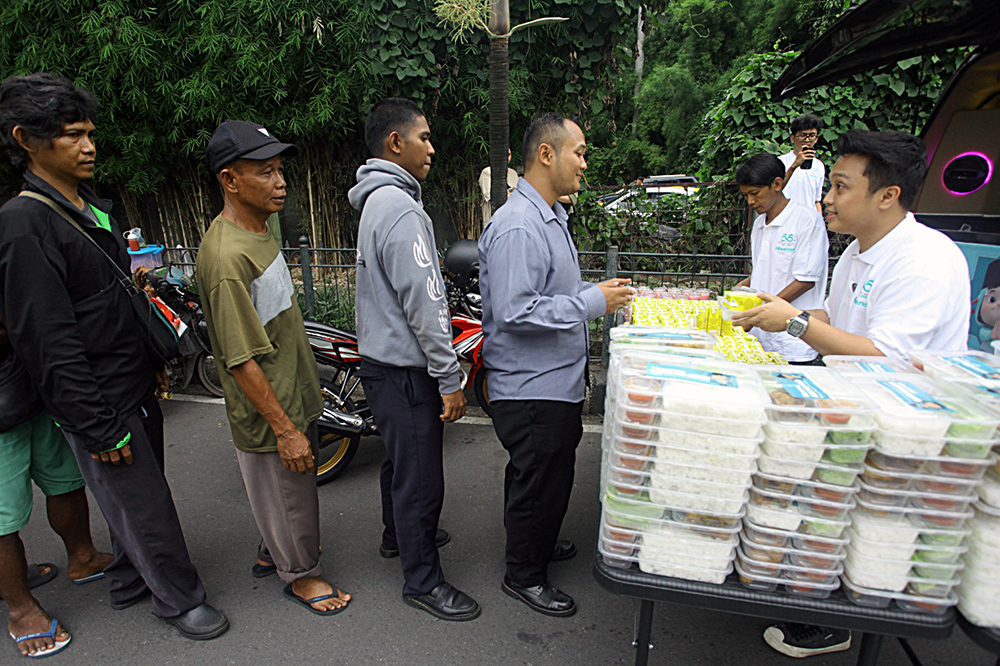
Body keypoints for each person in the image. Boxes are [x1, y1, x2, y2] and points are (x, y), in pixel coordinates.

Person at [0, 73, 227, 644]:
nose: (88, 146)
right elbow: (47, 343)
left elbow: (113, 294)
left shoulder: (88, 206)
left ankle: (129, 577)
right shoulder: (24, 224)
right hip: (98, 397)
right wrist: (96, 424)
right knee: (144, 503)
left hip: (132, 379)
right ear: (26, 139)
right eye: (72, 136)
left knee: (139, 495)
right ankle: (179, 598)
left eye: (89, 133)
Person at [733, 130, 970, 658]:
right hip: (857, 413)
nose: (827, 199)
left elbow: (884, 356)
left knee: (873, 533)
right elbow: (835, 322)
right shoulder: (858, 255)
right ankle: (822, 605)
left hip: (904, 430)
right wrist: (767, 312)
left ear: (887, 195)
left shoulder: (924, 260)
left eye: (840, 187)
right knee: (830, 515)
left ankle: (839, 622)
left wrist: (792, 322)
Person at [478, 112, 633, 617]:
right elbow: (515, 310)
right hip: (530, 388)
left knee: (545, 476)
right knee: (538, 478)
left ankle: (536, 545)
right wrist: (593, 302)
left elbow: (550, 295)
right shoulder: (520, 225)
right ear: (546, 155)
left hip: (552, 383)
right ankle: (524, 574)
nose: (584, 163)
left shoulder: (550, 214)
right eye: (579, 152)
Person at [197, 120, 351, 616]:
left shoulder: (262, 229)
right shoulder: (225, 258)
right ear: (230, 180)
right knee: (289, 493)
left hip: (294, 387)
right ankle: (302, 576)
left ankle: (275, 551)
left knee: (289, 492)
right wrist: (284, 428)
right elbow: (239, 360)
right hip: (270, 407)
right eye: (265, 172)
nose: (280, 181)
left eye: (280, 170)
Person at [348, 98, 479, 621]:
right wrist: (450, 378)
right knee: (421, 476)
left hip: (381, 366)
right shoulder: (401, 209)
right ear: (394, 144)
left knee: (399, 464)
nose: (432, 147)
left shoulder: (375, 202)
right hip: (406, 370)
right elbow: (425, 304)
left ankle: (394, 537)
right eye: (423, 137)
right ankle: (423, 581)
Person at [733, 153, 828, 364]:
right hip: (759, 337)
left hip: (792, 341)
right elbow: (765, 268)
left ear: (777, 184)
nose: (750, 201)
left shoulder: (807, 221)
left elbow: (805, 280)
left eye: (755, 193)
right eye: (746, 195)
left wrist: (763, 312)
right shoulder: (759, 224)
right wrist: (740, 289)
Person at [780, 114, 825, 215]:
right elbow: (774, 190)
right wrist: (794, 165)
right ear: (793, 138)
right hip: (786, 219)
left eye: (811, 135)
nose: (807, 140)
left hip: (809, 222)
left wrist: (820, 223)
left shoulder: (819, 166)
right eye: (803, 135)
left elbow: (816, 200)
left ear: (816, 139)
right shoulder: (781, 162)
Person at [478, 147, 519, 227]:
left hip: (513, 219)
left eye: (509, 155)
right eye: (504, 154)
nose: (507, 157)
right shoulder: (487, 172)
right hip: (493, 218)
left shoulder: (513, 174)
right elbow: (488, 196)